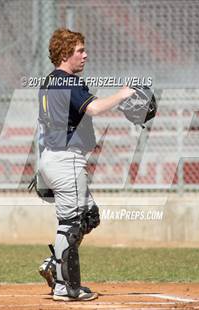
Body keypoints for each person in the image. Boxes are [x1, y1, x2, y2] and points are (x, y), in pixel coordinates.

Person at [36, 28, 135, 302]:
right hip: (65, 159)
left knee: (88, 216)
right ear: (66, 53)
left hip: (54, 157)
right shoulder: (67, 82)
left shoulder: (48, 82)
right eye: (80, 50)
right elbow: (94, 108)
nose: (85, 55)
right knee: (71, 222)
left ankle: (55, 264)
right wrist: (123, 94)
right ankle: (64, 287)